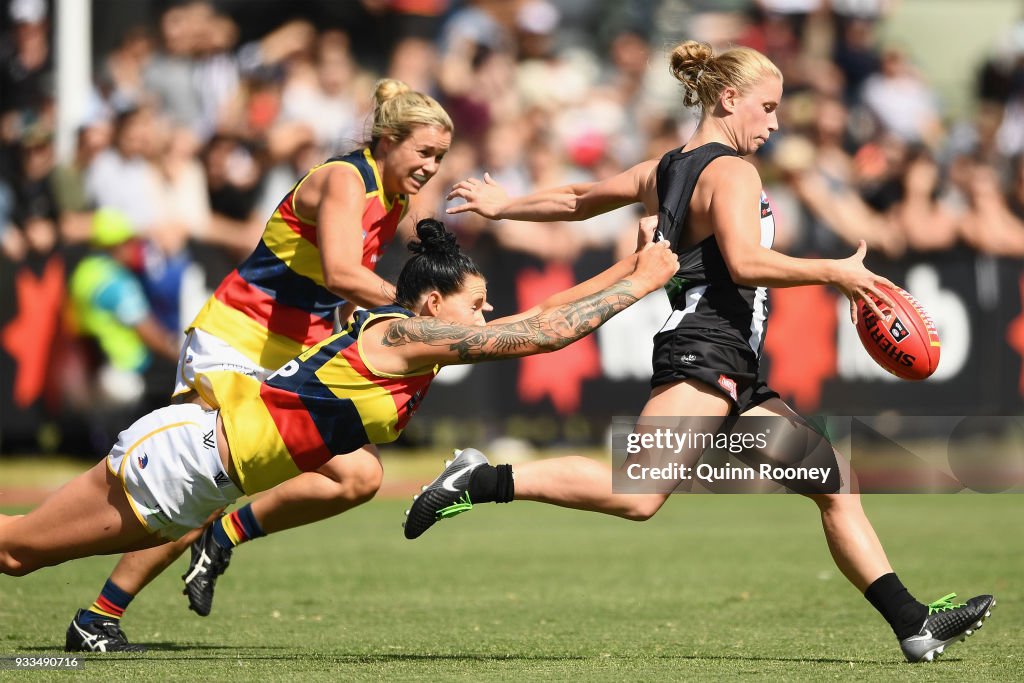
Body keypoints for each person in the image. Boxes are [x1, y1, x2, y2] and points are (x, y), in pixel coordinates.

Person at [411, 40, 996, 664]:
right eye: (767, 108)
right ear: (729, 98)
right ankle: (479, 477)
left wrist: (505, 207)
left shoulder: (665, 167)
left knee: (833, 482)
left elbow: (578, 199)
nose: (774, 124)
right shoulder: (733, 172)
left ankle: (914, 625)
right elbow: (744, 262)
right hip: (706, 354)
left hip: (732, 369)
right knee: (635, 493)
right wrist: (835, 272)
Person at [0, 219, 681, 647]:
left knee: (21, 551)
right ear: (436, 304)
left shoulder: (421, 339)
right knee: (16, 551)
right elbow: (536, 334)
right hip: (186, 458)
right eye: (477, 303)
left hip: (204, 477)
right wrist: (642, 286)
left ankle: (100, 617)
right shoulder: (399, 334)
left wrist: (632, 267)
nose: (488, 311)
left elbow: (539, 312)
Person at [61, 79, 455, 652]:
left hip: (294, 351)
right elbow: (345, 273)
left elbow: (339, 292)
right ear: (389, 140)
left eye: (440, 158)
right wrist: (414, 314)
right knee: (202, 481)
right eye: (424, 153)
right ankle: (97, 616)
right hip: (237, 340)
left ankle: (223, 537)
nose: (431, 168)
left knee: (360, 477)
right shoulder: (346, 180)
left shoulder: (392, 199)